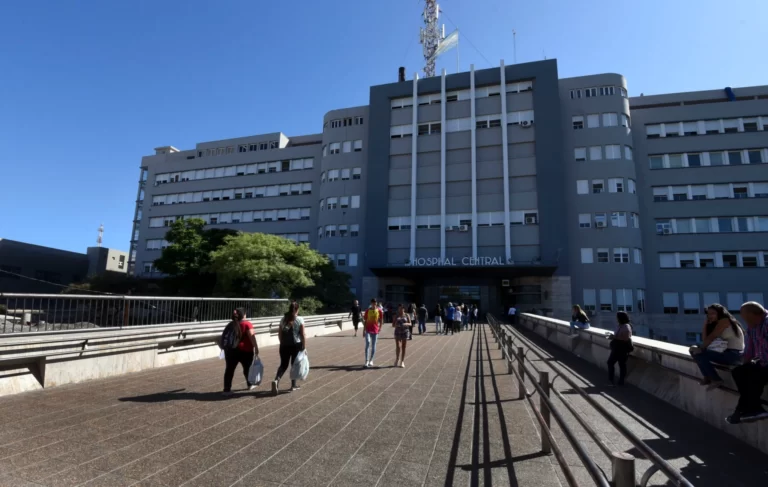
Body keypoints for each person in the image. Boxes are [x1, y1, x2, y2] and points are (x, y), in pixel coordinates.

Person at [726, 302, 768, 424]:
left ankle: (740, 411)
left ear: (755, 314)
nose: (745, 321)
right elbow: (749, 350)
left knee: (755, 376)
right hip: (763, 363)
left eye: (746, 318)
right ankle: (754, 408)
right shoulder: (752, 326)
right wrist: (745, 365)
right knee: (738, 372)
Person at [689, 304, 744, 390]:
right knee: (694, 350)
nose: (710, 315)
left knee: (698, 353)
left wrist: (700, 349)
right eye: (708, 314)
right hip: (726, 353)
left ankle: (716, 379)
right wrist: (705, 324)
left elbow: (711, 338)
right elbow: (705, 339)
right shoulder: (717, 323)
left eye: (713, 313)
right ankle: (707, 377)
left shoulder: (725, 321)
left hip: (733, 355)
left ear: (720, 313)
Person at [222, 308, 260, 396]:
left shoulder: (230, 324)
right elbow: (252, 337)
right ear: (244, 315)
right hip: (245, 351)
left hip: (231, 351)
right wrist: (256, 348)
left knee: (229, 369)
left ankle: (226, 389)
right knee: (247, 369)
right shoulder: (247, 324)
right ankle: (250, 384)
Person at [271, 301, 306, 395]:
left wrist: (282, 343)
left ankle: (276, 380)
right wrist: (304, 346)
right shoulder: (300, 319)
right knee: (294, 365)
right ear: (297, 309)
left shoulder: (283, 319)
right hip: (296, 345)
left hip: (284, 345)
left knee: (283, 364)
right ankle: (293, 385)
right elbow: (302, 334)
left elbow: (280, 333)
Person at [606, 311, 633, 386]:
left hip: (621, 347)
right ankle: (618, 381)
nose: (616, 319)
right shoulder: (620, 325)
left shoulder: (626, 326)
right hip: (617, 347)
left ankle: (614, 381)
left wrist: (614, 337)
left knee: (613, 363)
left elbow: (626, 337)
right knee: (620, 364)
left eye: (617, 317)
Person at [363, 298, 382, 367]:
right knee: (368, 343)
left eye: (375, 302)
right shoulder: (367, 311)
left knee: (373, 345)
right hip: (368, 329)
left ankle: (371, 360)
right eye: (373, 302)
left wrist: (380, 328)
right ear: (371, 303)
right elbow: (365, 321)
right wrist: (363, 331)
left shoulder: (379, 310)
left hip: (375, 330)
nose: (374, 303)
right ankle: (366, 360)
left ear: (376, 303)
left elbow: (381, 319)